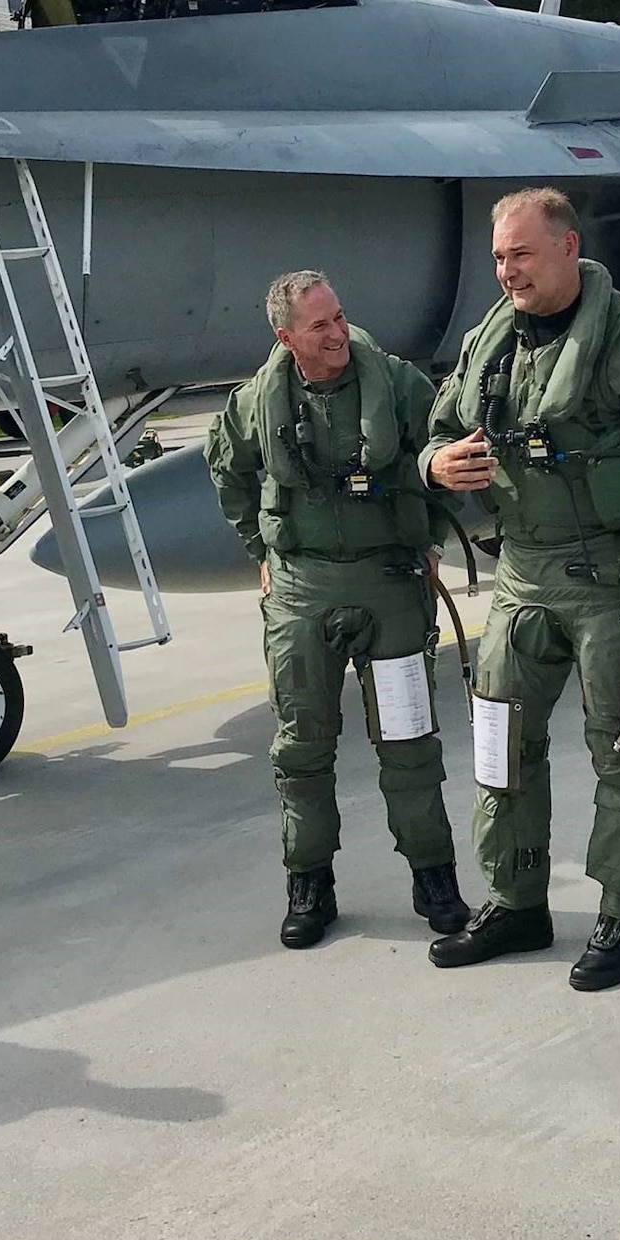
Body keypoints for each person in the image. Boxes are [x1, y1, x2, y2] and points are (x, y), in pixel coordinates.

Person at [423, 188, 620, 991]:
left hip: (612, 582)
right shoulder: (491, 341)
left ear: (565, 247)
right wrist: (435, 465)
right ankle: (518, 902)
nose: (506, 270)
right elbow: (441, 426)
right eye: (497, 257)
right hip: (521, 576)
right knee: (500, 747)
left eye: (520, 253)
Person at [206, 271, 470, 949]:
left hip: (388, 581)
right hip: (301, 590)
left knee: (410, 746)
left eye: (339, 317)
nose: (336, 335)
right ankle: (309, 883)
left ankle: (433, 878)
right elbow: (228, 471)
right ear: (285, 337)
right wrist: (256, 550)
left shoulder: (398, 383)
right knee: (300, 750)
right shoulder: (255, 403)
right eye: (318, 326)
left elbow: (440, 450)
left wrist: (431, 538)